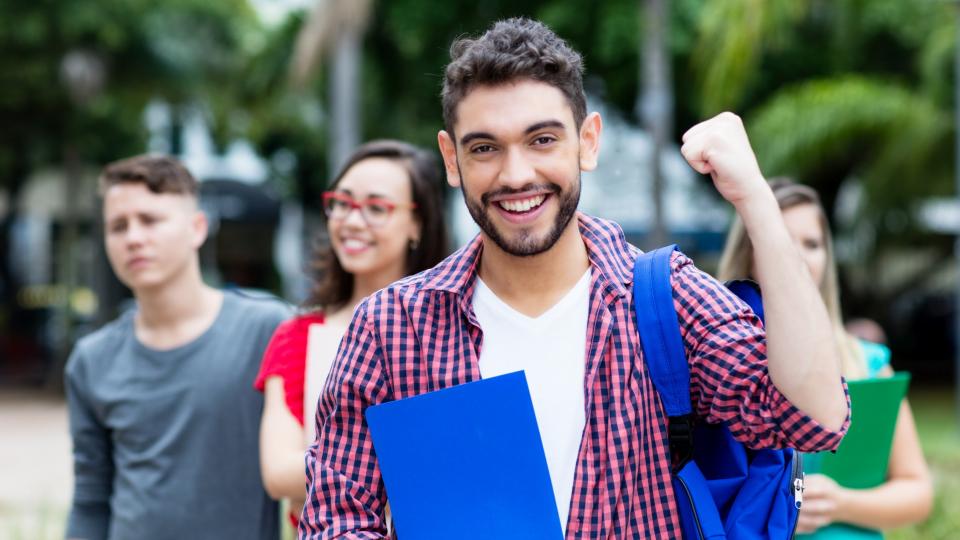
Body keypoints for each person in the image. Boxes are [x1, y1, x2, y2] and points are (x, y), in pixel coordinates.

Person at [300, 18, 850, 538]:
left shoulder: (664, 299)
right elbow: (335, 515)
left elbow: (816, 419)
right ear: (451, 158)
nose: (516, 175)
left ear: (587, 141)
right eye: (485, 148)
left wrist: (754, 199)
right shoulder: (393, 327)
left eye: (542, 140)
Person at [65, 155, 288, 540]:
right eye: (118, 226)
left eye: (150, 220)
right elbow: (91, 499)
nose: (133, 238)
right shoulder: (91, 359)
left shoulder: (268, 330)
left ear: (197, 228)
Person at [717, 179, 933, 535]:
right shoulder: (715, 364)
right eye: (783, 240)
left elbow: (917, 492)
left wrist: (841, 502)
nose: (798, 255)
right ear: (748, 251)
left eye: (812, 243)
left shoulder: (868, 364)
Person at [253, 140, 448, 522]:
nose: (353, 221)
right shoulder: (297, 337)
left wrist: (332, 464)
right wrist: (409, 461)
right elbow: (278, 473)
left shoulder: (457, 326)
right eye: (342, 203)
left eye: (376, 208)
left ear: (418, 224)